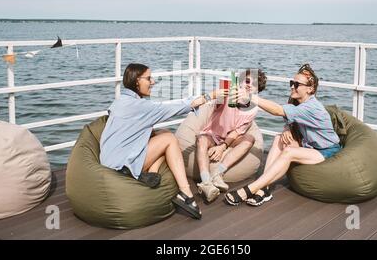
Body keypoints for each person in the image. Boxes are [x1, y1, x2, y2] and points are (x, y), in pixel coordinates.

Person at [100, 63, 227, 219]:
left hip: (108, 159)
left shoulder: (120, 101)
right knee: (169, 138)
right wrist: (211, 95)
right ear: (136, 81)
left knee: (163, 132)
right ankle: (186, 194)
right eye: (149, 78)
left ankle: (150, 175)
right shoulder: (142, 107)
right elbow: (182, 106)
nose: (153, 82)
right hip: (120, 166)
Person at [224, 64, 341, 207]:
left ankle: (250, 189)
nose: (292, 87)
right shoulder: (298, 103)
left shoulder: (311, 107)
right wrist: (287, 128)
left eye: (297, 84)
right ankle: (265, 189)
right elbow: (290, 119)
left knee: (288, 152)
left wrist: (250, 97)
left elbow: (278, 111)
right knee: (279, 138)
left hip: (327, 151)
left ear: (310, 89)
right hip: (308, 145)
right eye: (292, 83)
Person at [195, 69, 267, 203]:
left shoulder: (253, 108)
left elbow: (237, 132)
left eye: (254, 84)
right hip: (213, 134)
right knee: (201, 139)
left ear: (257, 90)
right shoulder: (227, 93)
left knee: (250, 139)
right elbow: (214, 103)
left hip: (229, 138)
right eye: (246, 81)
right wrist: (222, 94)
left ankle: (218, 173)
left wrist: (222, 147)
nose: (249, 85)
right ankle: (206, 183)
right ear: (239, 83)